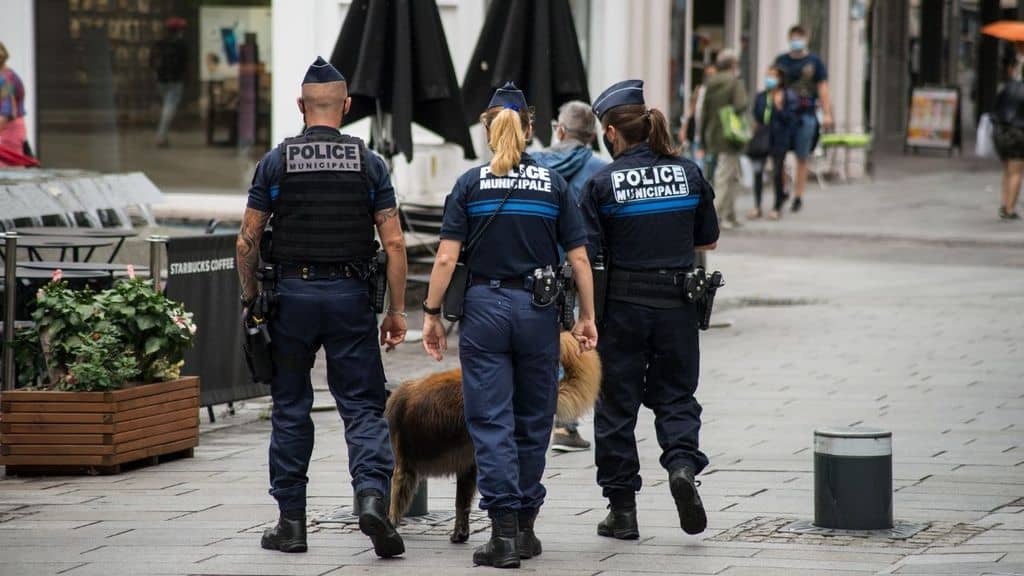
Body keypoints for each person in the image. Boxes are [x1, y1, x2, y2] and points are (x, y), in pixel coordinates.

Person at [235, 57, 409, 558]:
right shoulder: (370, 162)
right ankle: (373, 498)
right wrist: (397, 311)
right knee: (362, 406)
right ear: (347, 107)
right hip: (351, 298)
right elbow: (394, 244)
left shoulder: (276, 162)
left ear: (300, 106)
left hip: (290, 297)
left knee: (291, 409)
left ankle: (291, 523)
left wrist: (252, 303)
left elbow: (247, 242)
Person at [421, 82, 598, 569]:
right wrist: (587, 318)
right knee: (535, 418)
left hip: (485, 309)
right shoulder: (553, 185)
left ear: (487, 127)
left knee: (491, 420)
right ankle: (524, 528)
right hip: (538, 311)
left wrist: (432, 315)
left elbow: (445, 257)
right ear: (531, 129)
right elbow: (579, 259)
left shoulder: (469, 184)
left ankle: (501, 532)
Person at [581, 79, 719, 541]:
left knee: (616, 406)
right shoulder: (689, 173)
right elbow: (708, 239)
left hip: (622, 309)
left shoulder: (601, 183)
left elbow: (589, 255)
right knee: (676, 396)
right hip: (678, 304)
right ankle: (681, 466)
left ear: (612, 133)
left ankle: (623, 511)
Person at [532, 99, 607, 453]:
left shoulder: (533, 163)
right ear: (592, 137)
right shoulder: (599, 167)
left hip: (534, 267)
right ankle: (565, 423)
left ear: (559, 130)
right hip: (580, 266)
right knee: (572, 337)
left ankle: (535, 415)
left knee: (540, 341)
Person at [774, 25, 832, 212]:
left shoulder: (814, 61)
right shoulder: (781, 61)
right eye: (794, 37)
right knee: (779, 156)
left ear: (806, 39)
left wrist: (827, 113)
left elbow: (823, 88)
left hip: (806, 115)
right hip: (784, 116)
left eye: (800, 37)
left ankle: (798, 195)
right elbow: (773, 86)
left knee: (802, 157)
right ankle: (782, 189)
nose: (796, 40)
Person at [701, 49, 748, 228]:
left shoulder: (710, 83)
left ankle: (730, 214)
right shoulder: (735, 82)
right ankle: (716, 216)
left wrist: (703, 136)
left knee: (728, 174)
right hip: (730, 135)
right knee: (725, 175)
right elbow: (740, 105)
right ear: (733, 64)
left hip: (713, 133)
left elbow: (703, 112)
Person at [747, 65, 797, 221]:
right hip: (762, 138)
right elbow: (756, 115)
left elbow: (790, 118)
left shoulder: (787, 96)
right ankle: (757, 206)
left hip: (779, 139)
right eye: (768, 75)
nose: (770, 79)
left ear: (780, 78)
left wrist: (779, 106)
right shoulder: (761, 96)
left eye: (773, 76)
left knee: (776, 173)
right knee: (758, 172)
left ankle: (777, 206)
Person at [151, 17, 188, 147]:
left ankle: (163, 136)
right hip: (175, 80)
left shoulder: (160, 43)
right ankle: (160, 137)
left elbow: (152, 60)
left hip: (161, 80)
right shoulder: (181, 45)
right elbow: (185, 64)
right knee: (169, 108)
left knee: (167, 107)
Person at [993, 63, 1024, 220]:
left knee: (1007, 171)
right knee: (1016, 172)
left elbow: (995, 108)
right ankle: (1010, 209)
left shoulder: (1007, 88)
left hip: (1002, 132)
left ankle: (1005, 204)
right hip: (1019, 134)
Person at [678, 65, 717, 173]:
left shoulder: (717, 93)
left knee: (712, 166)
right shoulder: (700, 90)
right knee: (698, 164)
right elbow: (691, 110)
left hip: (712, 137)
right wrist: (683, 128)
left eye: (712, 75)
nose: (710, 77)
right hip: (697, 136)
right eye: (708, 75)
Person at [0, 41, 28, 160]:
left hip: (8, 133)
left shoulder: (6, 79)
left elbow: (6, 113)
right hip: (10, 132)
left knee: (9, 176)